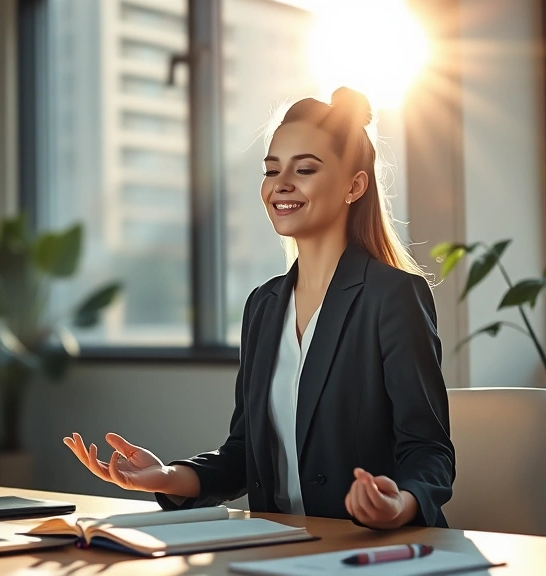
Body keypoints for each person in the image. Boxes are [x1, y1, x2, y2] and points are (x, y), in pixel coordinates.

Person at [64, 87, 455, 529]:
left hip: (374, 551)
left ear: (354, 186)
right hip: (281, 549)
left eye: (304, 168)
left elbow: (429, 450)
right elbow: (243, 453)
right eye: (271, 170)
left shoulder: (393, 296)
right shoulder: (263, 306)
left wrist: (399, 504)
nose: (281, 184)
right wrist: (169, 475)